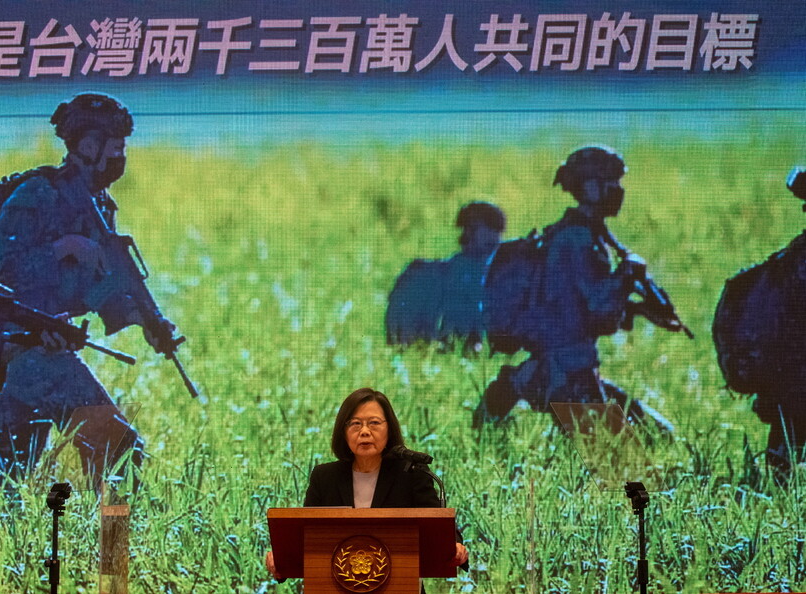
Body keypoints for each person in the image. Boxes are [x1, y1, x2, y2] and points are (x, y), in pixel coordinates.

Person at [0, 93, 177, 494]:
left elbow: (96, 286)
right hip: (20, 349)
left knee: (0, 476)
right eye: (114, 145)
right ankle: (115, 552)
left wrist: (144, 321)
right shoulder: (38, 194)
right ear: (87, 144)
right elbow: (2, 274)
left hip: (46, 349)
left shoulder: (99, 204)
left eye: (122, 147)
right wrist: (63, 248)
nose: (120, 155)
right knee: (116, 447)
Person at [474, 146, 675, 431]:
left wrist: (638, 307)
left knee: (657, 435)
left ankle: (514, 386)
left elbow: (580, 306)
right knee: (618, 463)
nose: (617, 191)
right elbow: (598, 305)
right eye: (610, 183)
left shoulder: (580, 233)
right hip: (568, 373)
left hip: (567, 366)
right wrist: (627, 274)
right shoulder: (577, 239)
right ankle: (517, 388)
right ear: (588, 186)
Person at [266, 388, 468, 587]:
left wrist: (456, 546)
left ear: (389, 429)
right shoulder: (325, 477)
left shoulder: (411, 473)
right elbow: (306, 536)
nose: (364, 431)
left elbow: (438, 526)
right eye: (355, 424)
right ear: (343, 432)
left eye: (374, 423)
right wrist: (281, 558)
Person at [714, 166, 806, 480]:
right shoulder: (796, 263)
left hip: (788, 393)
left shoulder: (789, 258)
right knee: (784, 474)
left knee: (782, 471)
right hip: (796, 389)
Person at [386, 201, 505, 351]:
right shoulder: (443, 273)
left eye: (495, 230)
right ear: (468, 230)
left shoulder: (500, 272)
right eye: (484, 228)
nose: (493, 237)